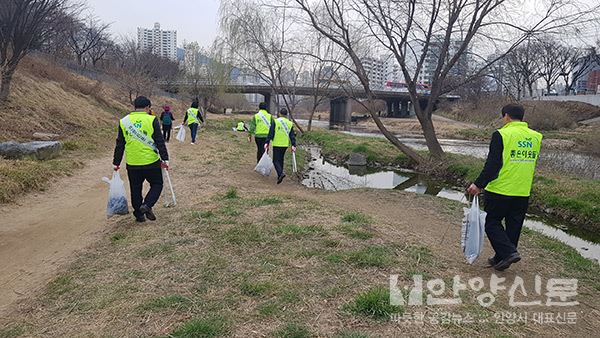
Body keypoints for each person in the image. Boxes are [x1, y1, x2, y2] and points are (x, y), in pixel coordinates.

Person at [467, 103, 543, 271]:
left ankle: (509, 253)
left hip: (500, 188)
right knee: (514, 225)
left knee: (491, 222)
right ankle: (501, 257)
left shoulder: (501, 134)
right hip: (522, 190)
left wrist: (478, 184)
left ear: (506, 116)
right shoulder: (536, 136)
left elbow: (493, 164)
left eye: (503, 117)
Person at [113, 96, 170, 223]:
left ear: (134, 107)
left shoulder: (124, 121)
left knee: (135, 188)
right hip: (151, 161)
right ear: (148, 107)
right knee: (157, 184)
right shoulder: (151, 119)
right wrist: (165, 159)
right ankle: (147, 205)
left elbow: (120, 144)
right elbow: (159, 141)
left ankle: (139, 214)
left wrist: (116, 163)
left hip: (132, 163)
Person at [265, 108, 297, 184]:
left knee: (275, 160)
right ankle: (280, 174)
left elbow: (271, 133)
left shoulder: (275, 122)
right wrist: (293, 144)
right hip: (285, 144)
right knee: (281, 159)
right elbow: (292, 135)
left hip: (277, 144)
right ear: (286, 115)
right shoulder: (289, 123)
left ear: (279, 113)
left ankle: (280, 173)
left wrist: (267, 142)